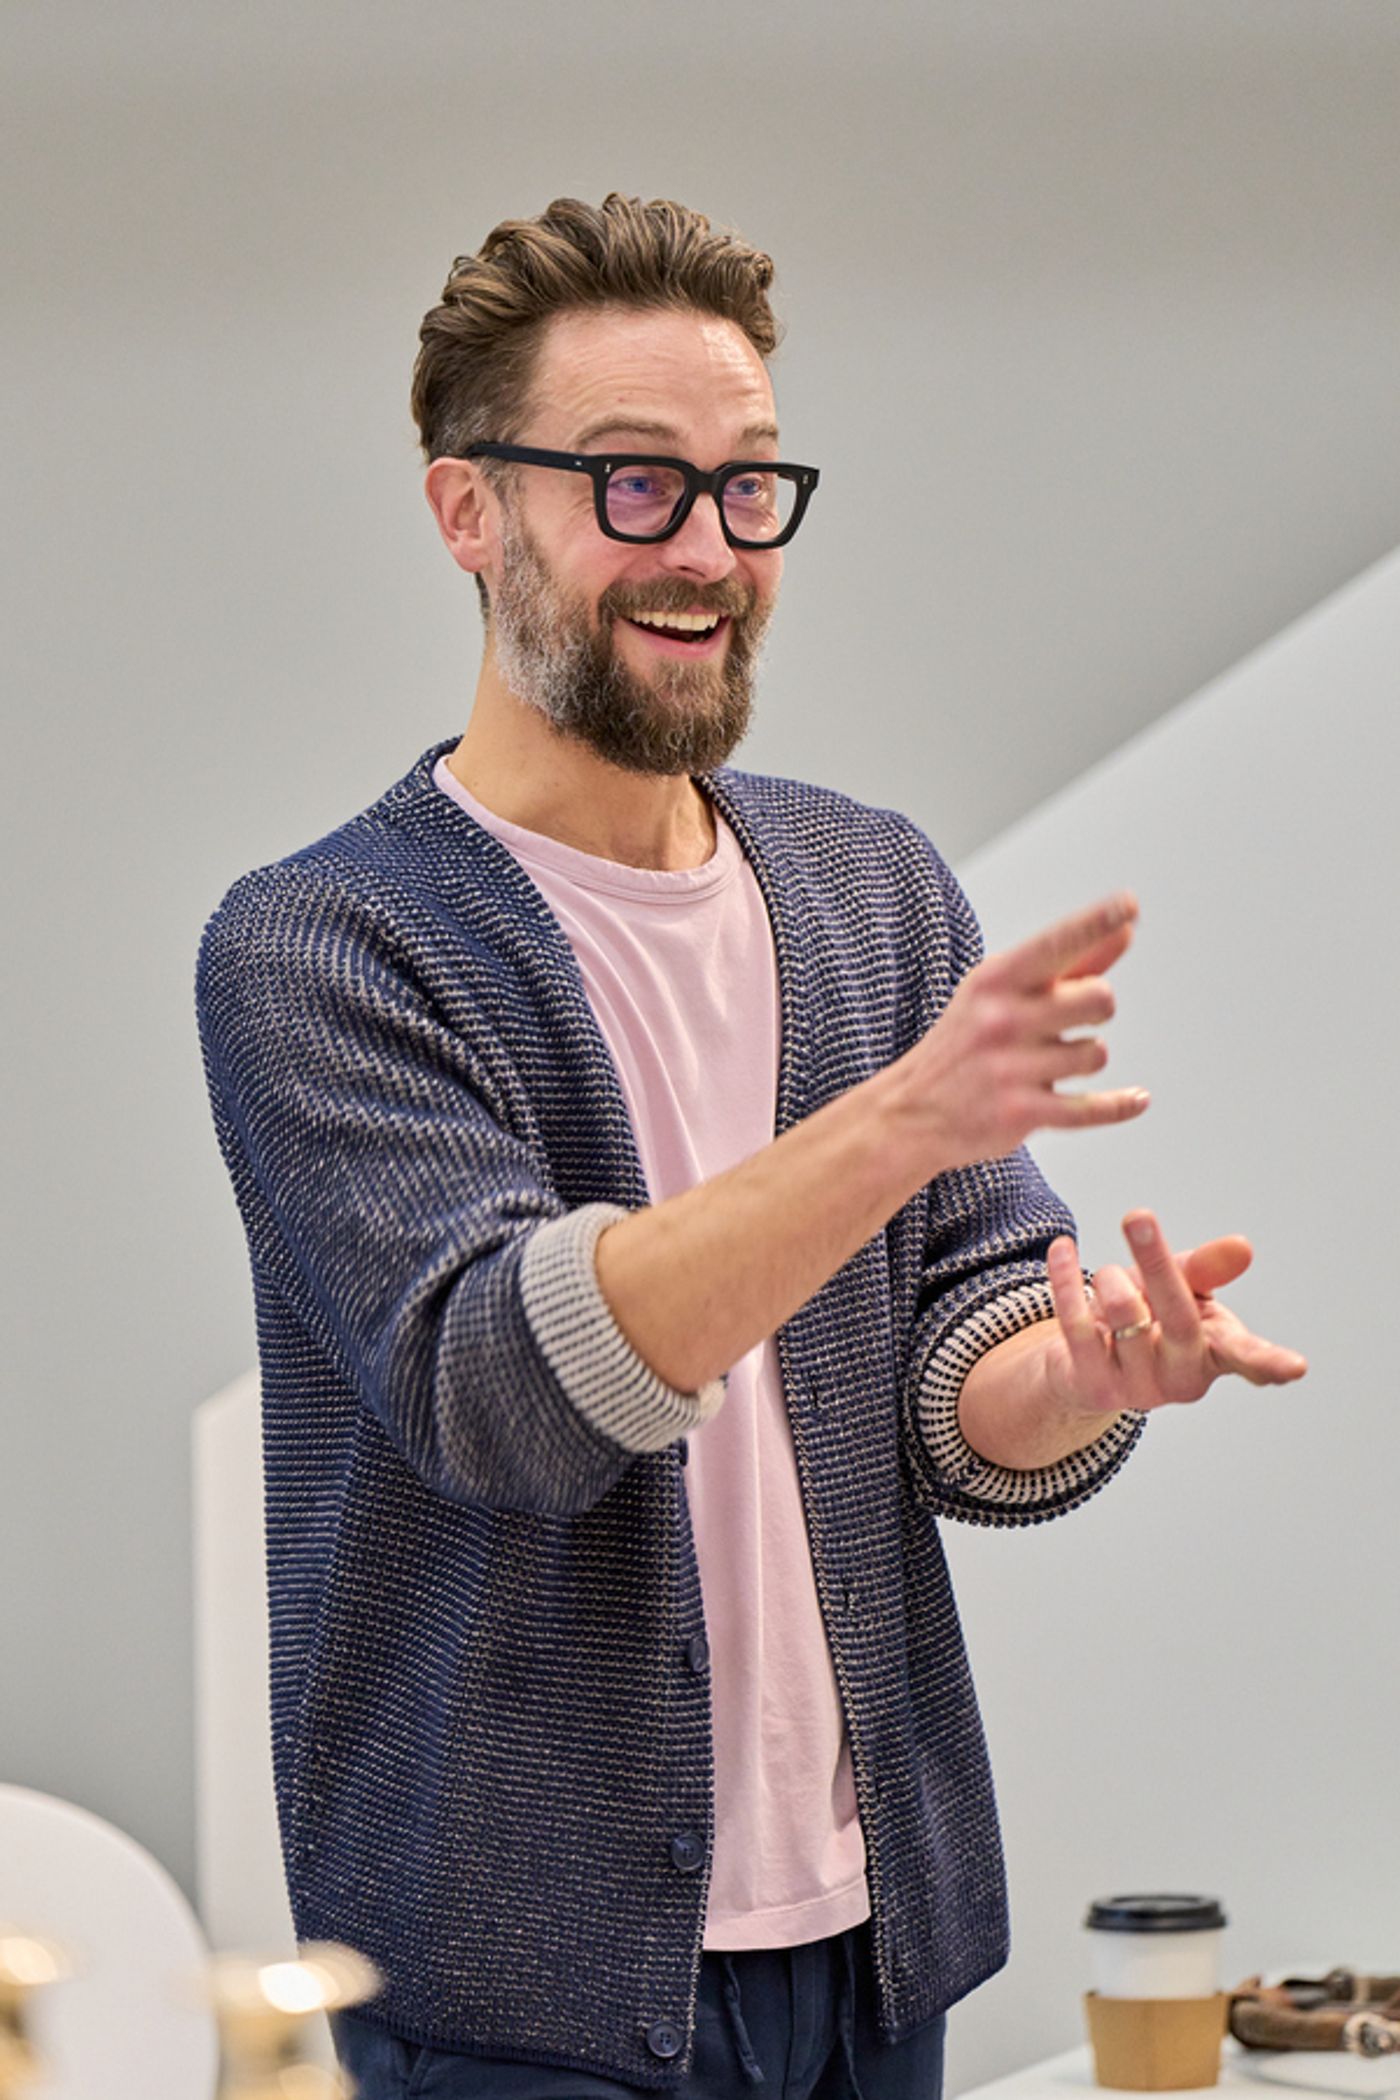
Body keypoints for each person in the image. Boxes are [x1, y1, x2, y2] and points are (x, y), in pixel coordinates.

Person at [195, 194, 1306, 2099]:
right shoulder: (327, 948)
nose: (706, 551)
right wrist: (893, 1127)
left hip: (879, 1950)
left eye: (748, 486)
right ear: (469, 511)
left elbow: (963, 1369)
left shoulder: (870, 890)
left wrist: (1086, 1372)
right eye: (632, 486)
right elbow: (509, 1391)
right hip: (511, 1998)